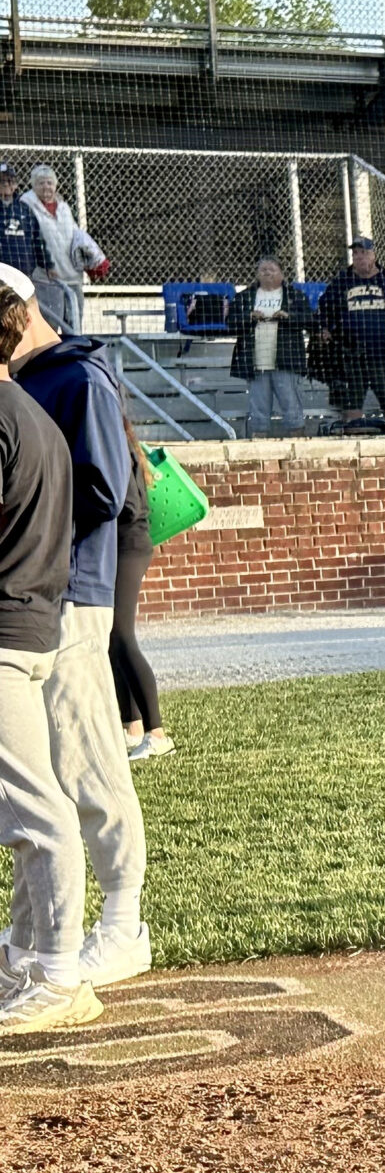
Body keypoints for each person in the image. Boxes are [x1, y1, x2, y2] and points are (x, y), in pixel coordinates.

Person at [8, 263, 151, 992]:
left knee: (88, 759)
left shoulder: (76, 379)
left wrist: (33, 540)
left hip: (72, 592)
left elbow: (102, 488)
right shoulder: (35, 380)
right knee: (42, 773)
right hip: (41, 593)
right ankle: (27, 935)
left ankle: (123, 924)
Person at [0, 263, 93, 1027]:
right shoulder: (27, 410)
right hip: (26, 624)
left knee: (34, 809)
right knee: (21, 808)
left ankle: (59, 973)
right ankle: (31, 961)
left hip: (6, 631)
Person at [111, 419, 169, 760]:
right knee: (111, 638)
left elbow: (127, 505)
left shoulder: (117, 446)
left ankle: (156, 733)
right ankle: (131, 725)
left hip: (127, 545)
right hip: (123, 544)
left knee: (121, 636)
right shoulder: (121, 442)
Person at [317, 237, 385, 429]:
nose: (359, 257)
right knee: (351, 405)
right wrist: (325, 328)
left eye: (364, 252)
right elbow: (324, 307)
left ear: (374, 255)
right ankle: (354, 439)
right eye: (355, 253)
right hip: (351, 353)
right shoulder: (342, 281)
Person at [228, 256, 316, 436]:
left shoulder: (295, 296)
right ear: (257, 274)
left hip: (286, 361)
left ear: (282, 275)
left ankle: (298, 446)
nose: (267, 273)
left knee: (292, 409)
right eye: (263, 270)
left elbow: (310, 321)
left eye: (272, 269)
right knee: (258, 413)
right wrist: (249, 317)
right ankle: (260, 448)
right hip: (256, 362)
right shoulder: (244, 297)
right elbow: (230, 323)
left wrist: (288, 316)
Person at [20, 167, 107, 335]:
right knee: (49, 324)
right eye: (41, 183)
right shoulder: (26, 206)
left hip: (72, 275)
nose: (46, 187)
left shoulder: (64, 208)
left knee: (74, 324)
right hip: (47, 279)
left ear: (56, 185)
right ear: (33, 185)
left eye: (50, 182)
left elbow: (76, 235)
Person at [0, 167, 45, 291]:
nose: (6, 184)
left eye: (9, 180)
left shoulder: (25, 209)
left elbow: (37, 239)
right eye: (2, 181)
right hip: (2, 273)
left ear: (15, 184)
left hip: (24, 273)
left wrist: (45, 265)